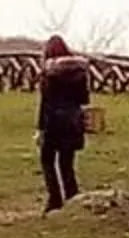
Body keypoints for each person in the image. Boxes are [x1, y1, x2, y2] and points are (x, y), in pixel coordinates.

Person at [35, 34, 92, 210]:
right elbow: (84, 99)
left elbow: (46, 103)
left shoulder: (48, 73)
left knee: (47, 161)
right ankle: (72, 195)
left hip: (53, 121)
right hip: (73, 121)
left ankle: (54, 199)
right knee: (67, 163)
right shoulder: (79, 72)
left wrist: (40, 129)